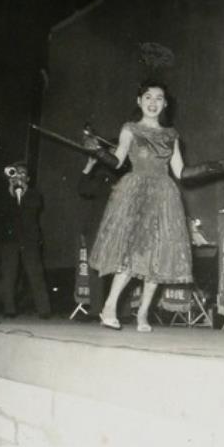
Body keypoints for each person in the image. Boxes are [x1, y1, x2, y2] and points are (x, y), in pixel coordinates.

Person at [89, 80, 193, 333]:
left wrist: (215, 167)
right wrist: (99, 152)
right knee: (131, 253)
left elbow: (180, 171)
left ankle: (143, 313)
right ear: (139, 101)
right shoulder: (130, 129)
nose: (153, 102)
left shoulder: (171, 135)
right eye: (148, 97)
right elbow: (117, 161)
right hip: (135, 193)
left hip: (164, 195)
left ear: (165, 104)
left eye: (159, 98)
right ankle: (110, 307)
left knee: (157, 255)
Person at [76, 132, 123, 320]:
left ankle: (122, 311)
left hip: (119, 226)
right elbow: (83, 189)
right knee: (95, 268)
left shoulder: (126, 173)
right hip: (98, 227)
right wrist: (89, 166)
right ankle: (96, 310)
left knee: (120, 267)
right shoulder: (103, 175)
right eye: (111, 151)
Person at [0, 161, 51, 320]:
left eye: (22, 173)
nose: (19, 176)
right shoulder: (5, 194)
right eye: (16, 172)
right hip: (10, 239)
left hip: (29, 239)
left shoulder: (34, 194)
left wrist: (24, 191)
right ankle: (9, 309)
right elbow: (0, 211)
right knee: (9, 275)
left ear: (28, 178)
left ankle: (44, 310)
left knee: (35, 274)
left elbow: (35, 207)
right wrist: (10, 190)